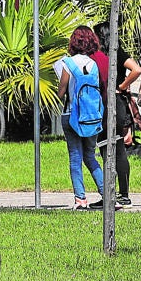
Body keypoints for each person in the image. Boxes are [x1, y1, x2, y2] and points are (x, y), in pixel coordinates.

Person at [91, 21, 141, 207]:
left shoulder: (108, 53)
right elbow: (136, 70)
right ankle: (118, 193)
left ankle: (117, 194)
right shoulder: (113, 52)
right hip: (115, 104)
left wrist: (120, 86)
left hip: (108, 103)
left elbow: (137, 69)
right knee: (114, 147)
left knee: (110, 148)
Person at [55, 26, 107, 210]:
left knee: (75, 158)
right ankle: (107, 195)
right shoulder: (93, 64)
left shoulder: (68, 64)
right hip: (91, 117)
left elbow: (61, 91)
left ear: (73, 42)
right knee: (91, 156)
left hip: (72, 116)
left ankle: (80, 198)